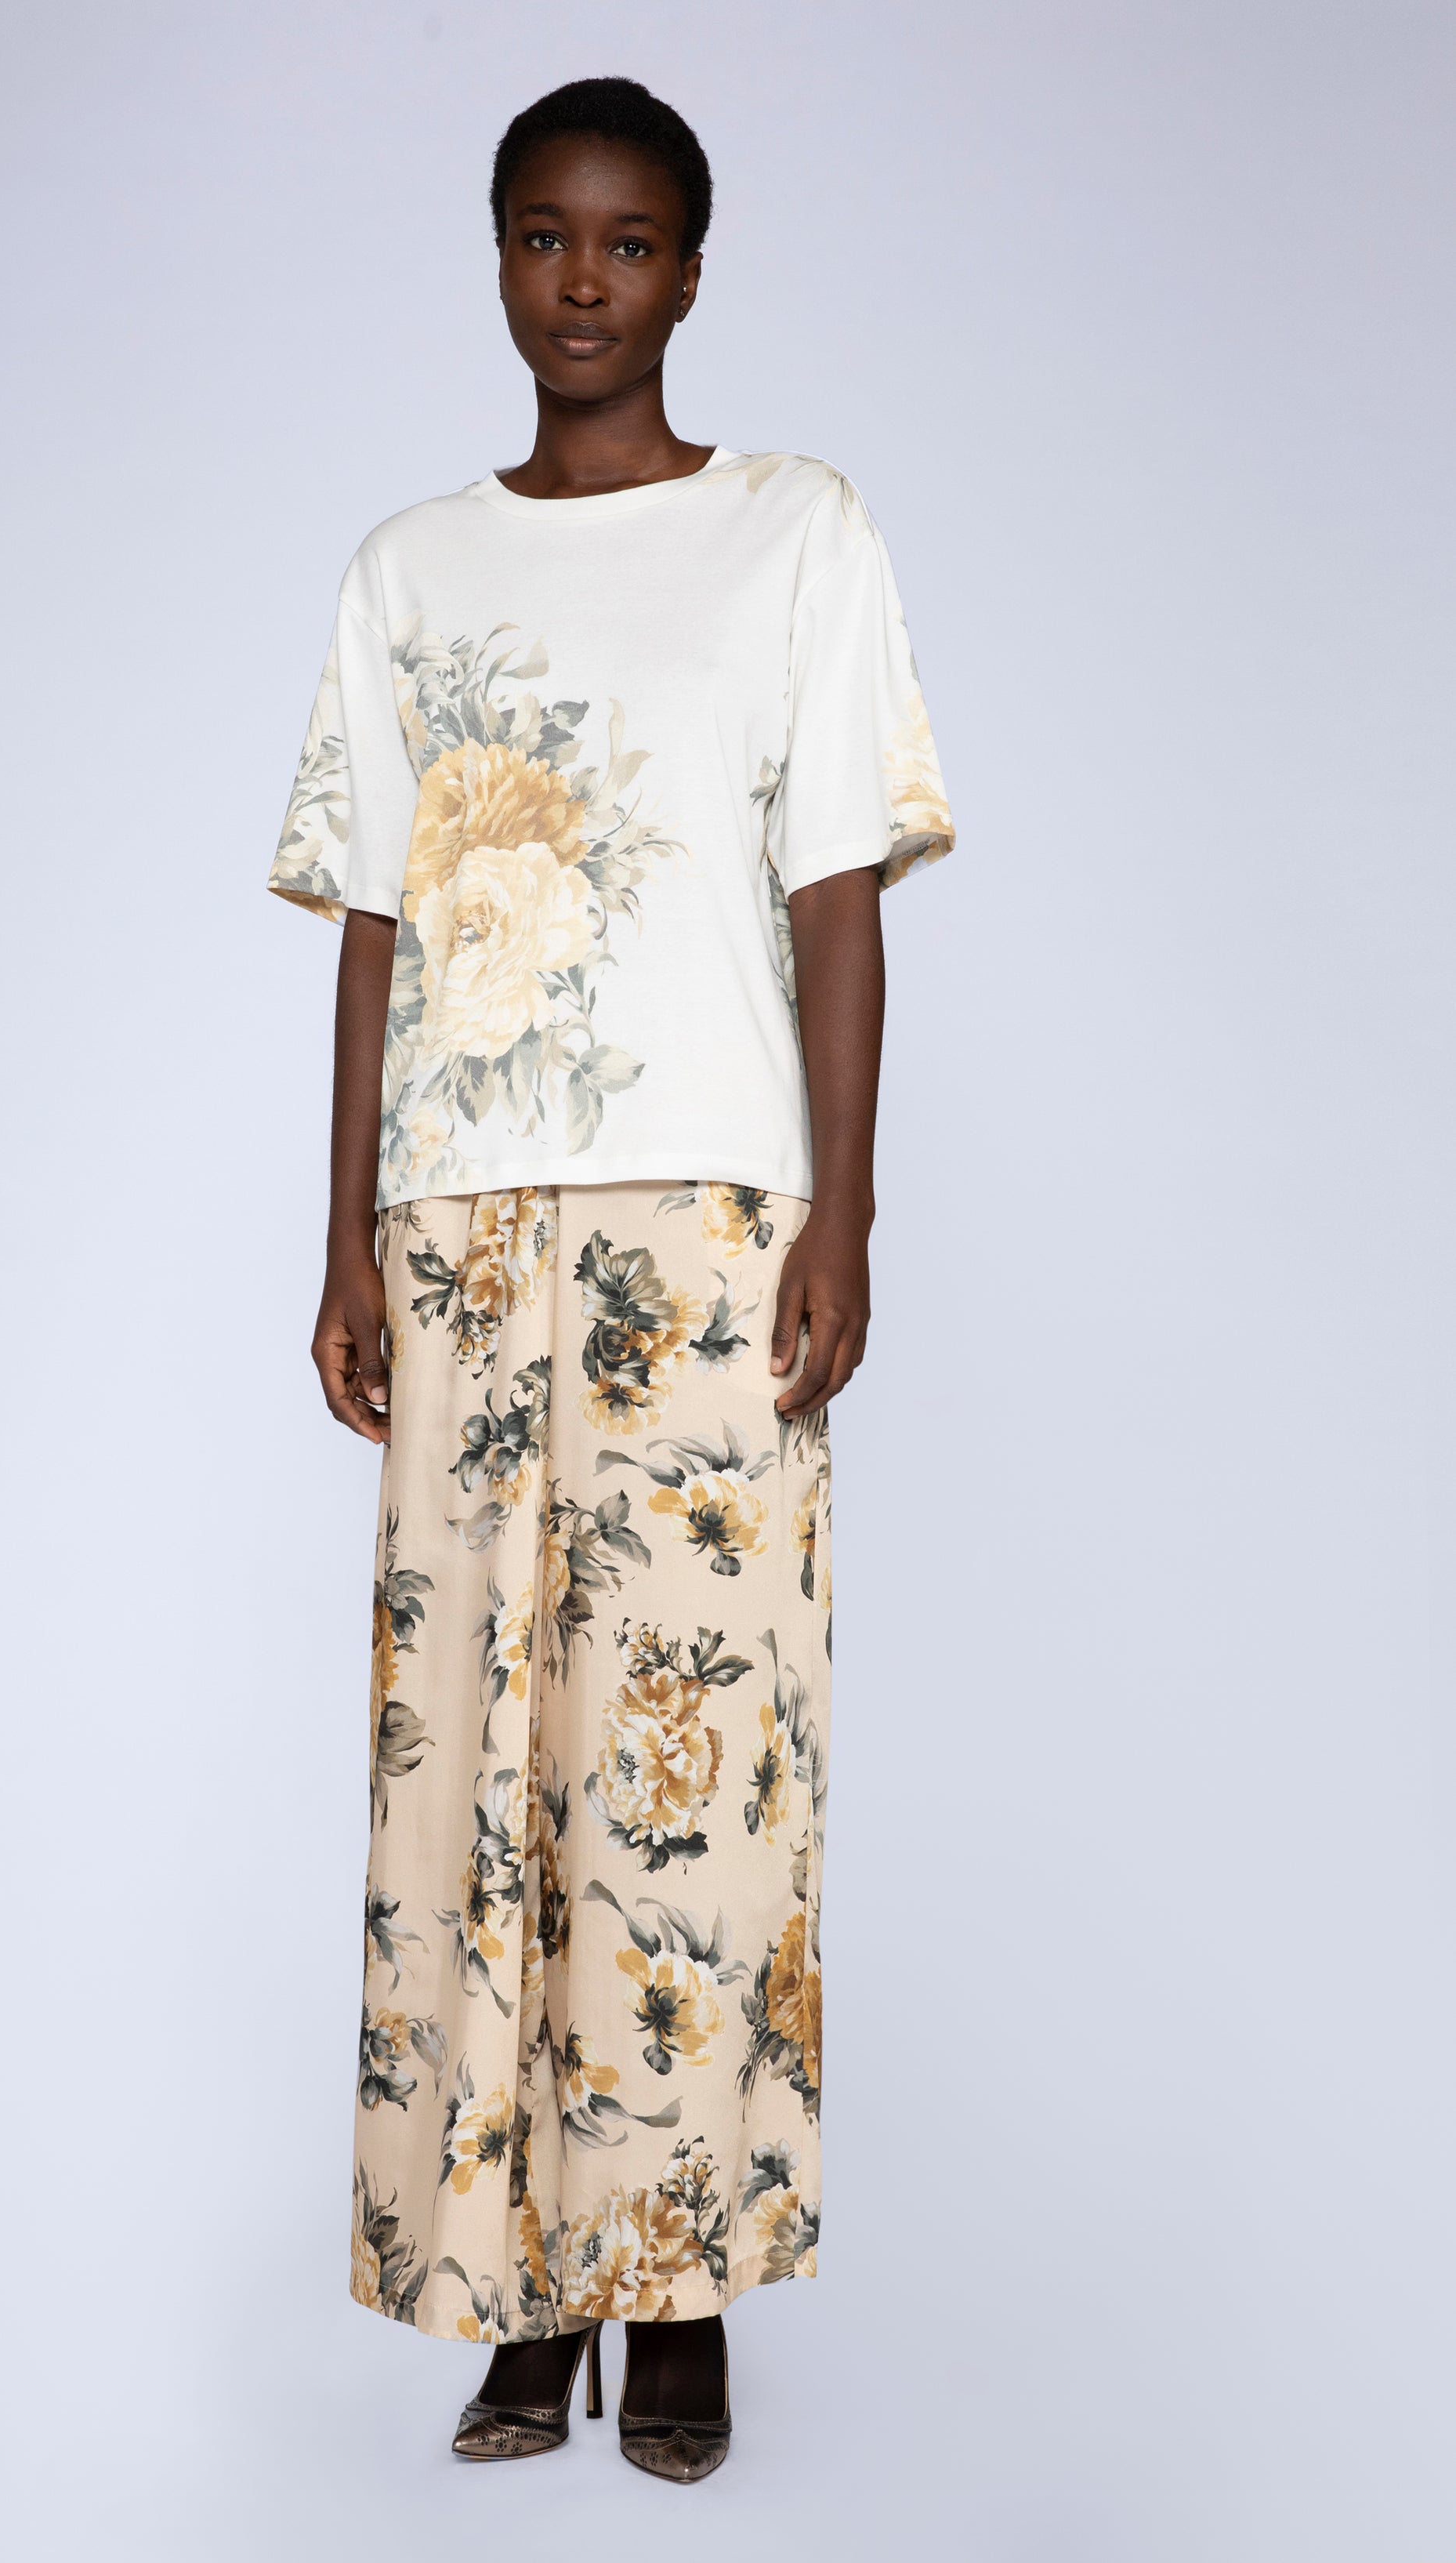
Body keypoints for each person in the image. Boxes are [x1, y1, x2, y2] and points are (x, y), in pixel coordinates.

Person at [268, 74, 953, 2482]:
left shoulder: (794, 533)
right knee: (472, 1770)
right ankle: (511, 2291)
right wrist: (344, 1233)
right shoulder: (407, 571)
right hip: (462, 1232)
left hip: (707, 1222)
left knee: (690, 1779)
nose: (585, 280)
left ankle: (673, 2298)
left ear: (688, 270)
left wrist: (842, 1212)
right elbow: (372, 924)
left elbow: (834, 894)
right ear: (494, 255)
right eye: (547, 236)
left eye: (631, 240)